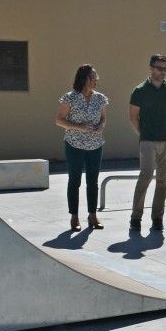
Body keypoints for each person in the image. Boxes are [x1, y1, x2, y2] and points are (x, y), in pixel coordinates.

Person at [128, 54, 166, 232]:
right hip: (147, 142)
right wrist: (145, 135)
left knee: (162, 181)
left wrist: (164, 129)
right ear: (151, 68)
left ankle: (157, 218)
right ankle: (135, 218)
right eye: (159, 68)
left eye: (165, 69)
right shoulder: (139, 91)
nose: (163, 72)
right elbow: (133, 117)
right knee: (146, 176)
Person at [55, 64, 109, 232]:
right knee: (74, 181)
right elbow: (59, 120)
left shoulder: (100, 99)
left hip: (95, 145)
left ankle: (92, 215)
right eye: (93, 77)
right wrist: (80, 127)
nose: (96, 80)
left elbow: (103, 118)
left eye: (96, 77)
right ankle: (74, 216)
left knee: (93, 181)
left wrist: (101, 126)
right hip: (74, 144)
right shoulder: (69, 98)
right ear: (83, 79)